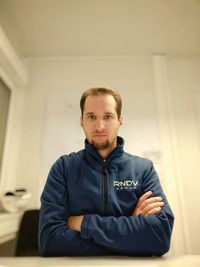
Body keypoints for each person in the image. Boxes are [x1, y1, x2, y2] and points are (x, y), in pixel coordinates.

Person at [39, 87, 174, 256]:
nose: (100, 126)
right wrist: (131, 236)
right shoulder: (64, 168)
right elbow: (50, 241)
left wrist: (84, 223)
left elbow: (159, 237)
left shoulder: (143, 169)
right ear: (82, 121)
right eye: (91, 117)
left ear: (120, 120)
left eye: (108, 116)